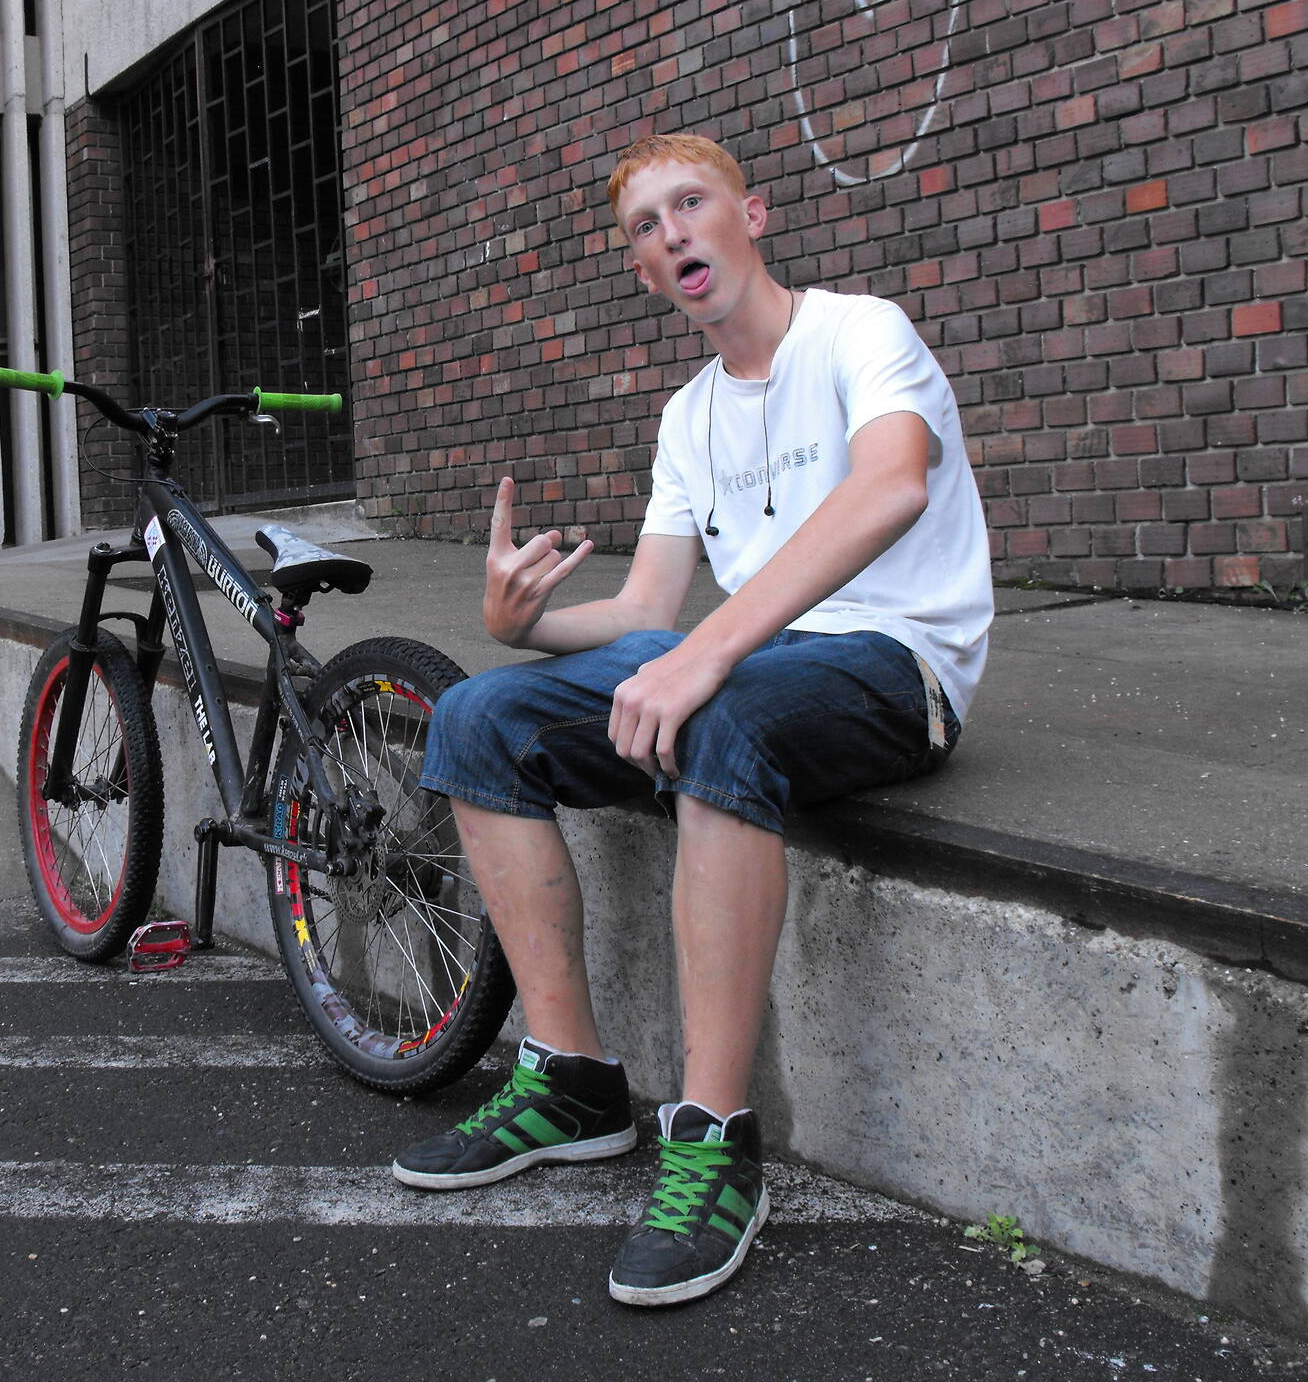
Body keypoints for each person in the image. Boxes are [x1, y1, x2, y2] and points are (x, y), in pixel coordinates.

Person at [391, 133, 994, 1306]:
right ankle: (571, 1080)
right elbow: (645, 612)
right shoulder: (687, 416)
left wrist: (709, 655)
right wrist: (526, 625)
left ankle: (714, 1140)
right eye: (644, 227)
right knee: (475, 717)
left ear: (749, 216)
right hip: (751, 661)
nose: (671, 234)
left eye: (691, 204)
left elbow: (892, 486)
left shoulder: (860, 333)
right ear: (641, 270)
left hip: (896, 665)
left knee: (720, 717)